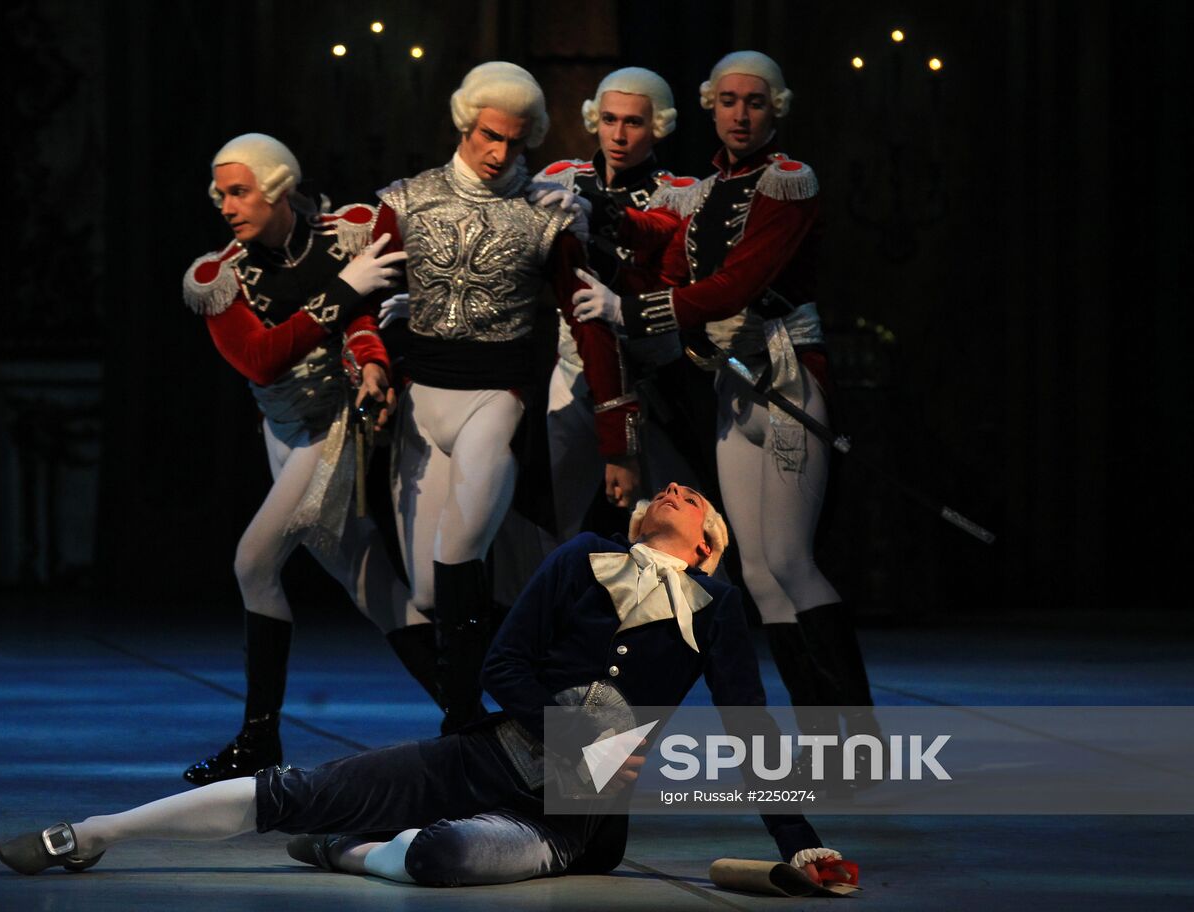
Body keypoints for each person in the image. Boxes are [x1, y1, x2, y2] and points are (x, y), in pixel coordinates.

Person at [0, 483, 856, 889]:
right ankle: (93, 831)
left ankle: (349, 848)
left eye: (695, 496)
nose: (676, 485)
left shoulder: (718, 604)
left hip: (566, 820)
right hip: (480, 762)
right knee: (300, 789)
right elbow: (501, 669)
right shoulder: (578, 561)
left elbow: (752, 730)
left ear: (708, 544)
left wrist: (799, 841)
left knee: (443, 857)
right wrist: (566, 732)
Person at [568, 53, 875, 737]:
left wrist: (630, 312)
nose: (740, 114)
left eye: (755, 103)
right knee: (760, 572)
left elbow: (734, 286)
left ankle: (857, 742)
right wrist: (603, 220)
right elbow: (669, 257)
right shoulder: (706, 192)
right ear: (711, 106)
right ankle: (823, 744)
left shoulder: (788, 182)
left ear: (776, 109)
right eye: (729, 101)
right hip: (735, 390)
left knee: (792, 560)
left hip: (788, 376)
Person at [372, 62, 640, 732]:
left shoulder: (546, 217)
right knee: (432, 589)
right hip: (420, 404)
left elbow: (590, 326)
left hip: (497, 400)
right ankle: (517, 709)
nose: (499, 154)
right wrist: (369, 364)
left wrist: (618, 444)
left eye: (516, 144)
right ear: (466, 124)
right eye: (490, 136)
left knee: (461, 559)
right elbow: (364, 299)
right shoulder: (405, 202)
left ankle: (461, 726)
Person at [178, 133, 441, 786]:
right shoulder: (220, 276)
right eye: (221, 194)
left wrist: (363, 323)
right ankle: (468, 712)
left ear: (278, 187)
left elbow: (378, 315)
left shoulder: (346, 234)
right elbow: (262, 359)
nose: (226, 205)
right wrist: (340, 294)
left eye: (239, 192)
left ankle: (258, 736)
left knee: (253, 561)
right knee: (368, 580)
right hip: (284, 432)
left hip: (337, 429)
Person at [531, 67, 719, 543]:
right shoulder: (558, 179)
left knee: (680, 524)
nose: (618, 134)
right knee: (557, 513)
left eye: (633, 122)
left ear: (657, 125)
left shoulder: (684, 191)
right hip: (573, 368)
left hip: (655, 372)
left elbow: (671, 275)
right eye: (610, 119)